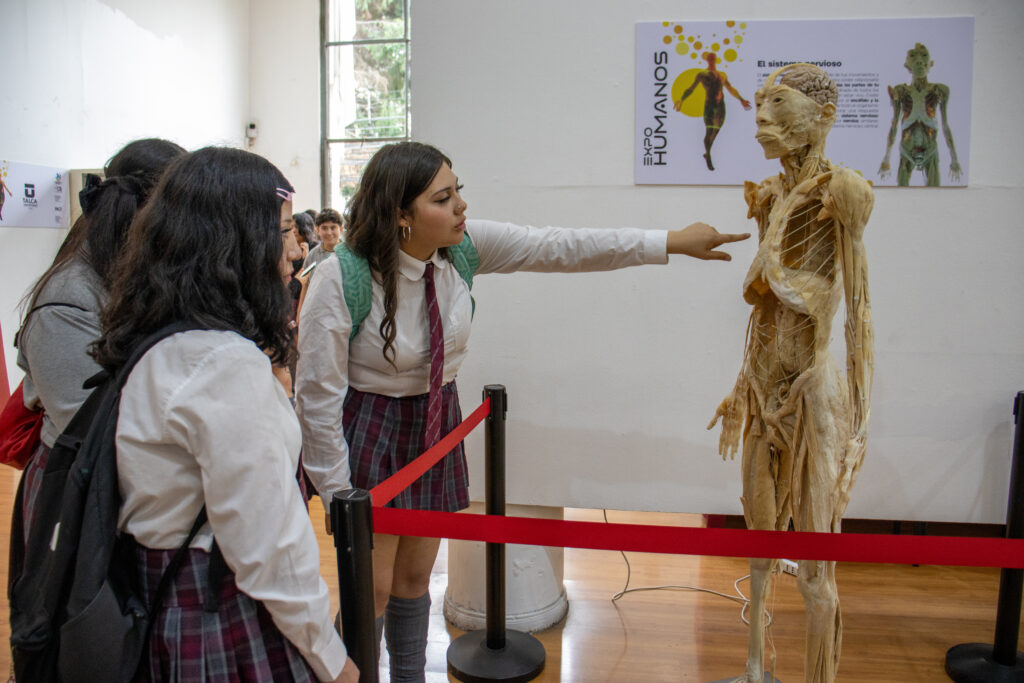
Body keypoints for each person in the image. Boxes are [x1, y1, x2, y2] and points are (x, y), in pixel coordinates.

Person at [295, 141, 749, 682]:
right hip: (374, 430)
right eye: (443, 198)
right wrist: (339, 494)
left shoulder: (461, 250)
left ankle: (409, 676)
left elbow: (558, 246)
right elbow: (316, 397)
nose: (461, 205)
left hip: (436, 423)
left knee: (414, 580)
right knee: (370, 587)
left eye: (458, 190)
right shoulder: (343, 276)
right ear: (400, 215)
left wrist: (669, 242)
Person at [92, 146, 358, 683]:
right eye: (282, 232)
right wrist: (333, 659)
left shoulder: (167, 337)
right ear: (236, 242)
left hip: (166, 592)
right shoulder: (221, 363)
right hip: (216, 606)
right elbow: (269, 549)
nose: (296, 249)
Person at [708, 63, 874, 683]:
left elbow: (855, 306)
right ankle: (756, 668)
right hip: (762, 384)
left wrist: (851, 411)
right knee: (759, 540)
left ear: (822, 117)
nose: (761, 121)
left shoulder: (845, 190)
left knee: (814, 564)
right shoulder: (771, 195)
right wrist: (742, 384)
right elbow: (765, 310)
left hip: (812, 389)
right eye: (759, 105)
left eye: (778, 104)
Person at [14, 138, 185, 536]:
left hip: (132, 486)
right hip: (79, 490)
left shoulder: (143, 280)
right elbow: (89, 428)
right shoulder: (66, 300)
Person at [878, 42, 962, 186]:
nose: (919, 61)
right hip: (907, 148)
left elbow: (945, 125)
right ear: (908, 65)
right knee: (901, 192)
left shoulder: (940, 90)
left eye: (923, 56)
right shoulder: (900, 90)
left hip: (930, 149)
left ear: (930, 64)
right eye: (914, 57)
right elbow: (894, 125)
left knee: (935, 192)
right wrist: (886, 159)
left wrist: (954, 159)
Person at [674, 51, 751, 171]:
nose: (711, 60)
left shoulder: (722, 75)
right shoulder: (702, 74)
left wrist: (741, 100)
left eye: (713, 58)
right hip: (709, 105)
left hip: (720, 106)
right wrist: (681, 100)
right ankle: (708, 155)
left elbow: (730, 88)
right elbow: (691, 88)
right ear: (707, 60)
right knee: (709, 131)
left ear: (715, 59)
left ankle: (707, 152)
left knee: (715, 131)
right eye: (709, 58)